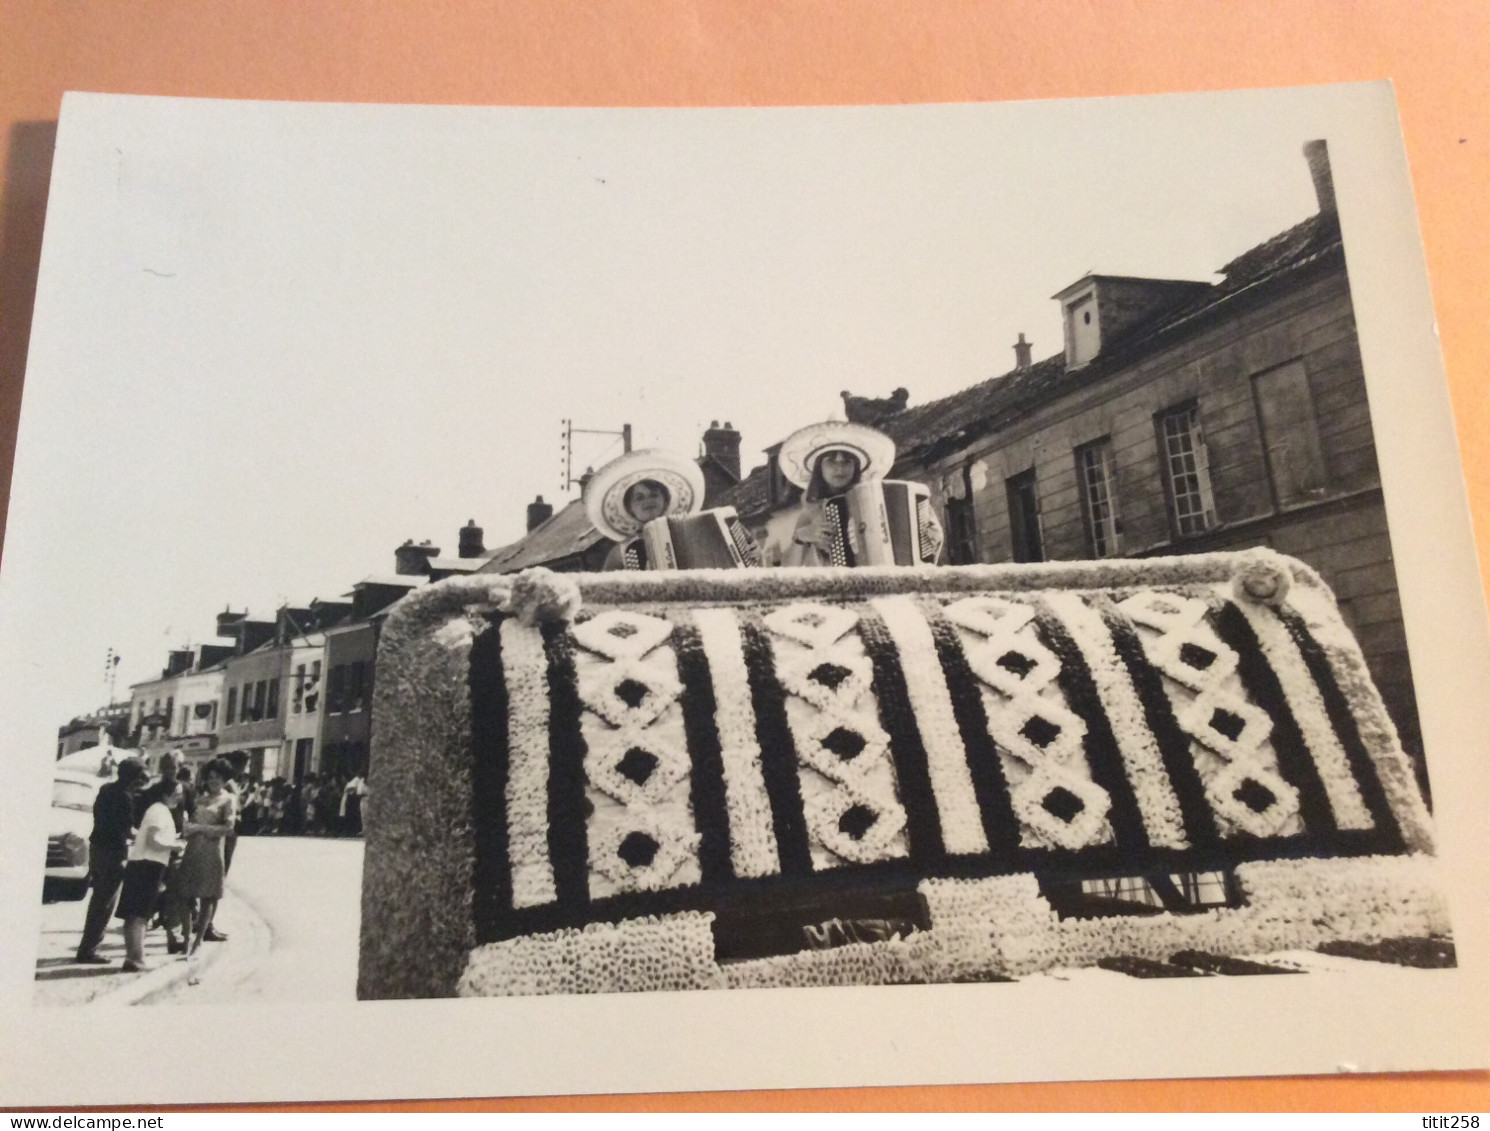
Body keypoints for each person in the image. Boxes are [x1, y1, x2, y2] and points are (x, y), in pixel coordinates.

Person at [765, 420, 896, 567]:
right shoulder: (810, 513)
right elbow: (789, 569)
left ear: (856, 466)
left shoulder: (876, 502)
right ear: (819, 467)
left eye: (847, 462)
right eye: (831, 461)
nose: (839, 469)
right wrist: (800, 538)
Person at [74, 756, 147, 964]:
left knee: (97, 900)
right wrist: (144, 836)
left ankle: (86, 947)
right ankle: (88, 950)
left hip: (97, 850)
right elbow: (126, 830)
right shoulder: (125, 798)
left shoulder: (106, 790)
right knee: (104, 904)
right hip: (113, 854)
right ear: (134, 777)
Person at [583, 448, 705, 571]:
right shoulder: (622, 551)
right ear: (629, 508)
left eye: (654, 495)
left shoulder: (686, 537)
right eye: (639, 498)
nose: (648, 501)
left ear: (666, 501)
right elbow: (605, 587)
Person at [116, 777, 183, 972]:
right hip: (148, 866)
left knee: (135, 915)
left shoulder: (157, 810)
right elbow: (153, 841)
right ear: (165, 794)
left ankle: (133, 958)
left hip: (144, 865)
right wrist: (175, 845)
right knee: (139, 915)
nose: (179, 797)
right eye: (176, 793)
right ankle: (136, 959)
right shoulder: (159, 811)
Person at [171, 757, 237, 954]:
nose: (213, 782)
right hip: (192, 850)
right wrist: (187, 828)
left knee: (208, 896)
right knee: (184, 893)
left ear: (224, 780)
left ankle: (198, 940)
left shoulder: (228, 799)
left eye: (217, 778)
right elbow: (186, 822)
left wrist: (199, 828)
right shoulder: (199, 798)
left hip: (211, 851)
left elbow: (228, 827)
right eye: (210, 778)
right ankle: (186, 934)